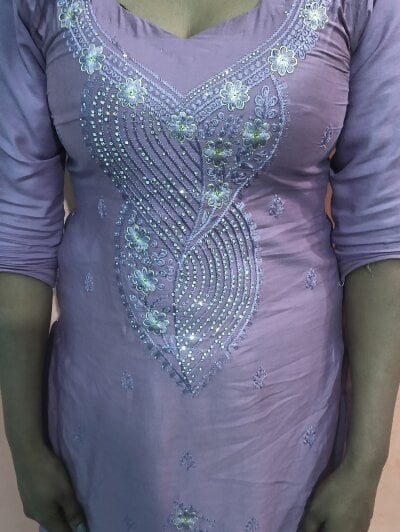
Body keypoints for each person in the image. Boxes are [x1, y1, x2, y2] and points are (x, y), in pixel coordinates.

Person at [0, 0, 399, 530]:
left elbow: (381, 230)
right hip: (104, 423)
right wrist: (25, 447)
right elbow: (17, 228)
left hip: (288, 425)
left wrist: (364, 465)